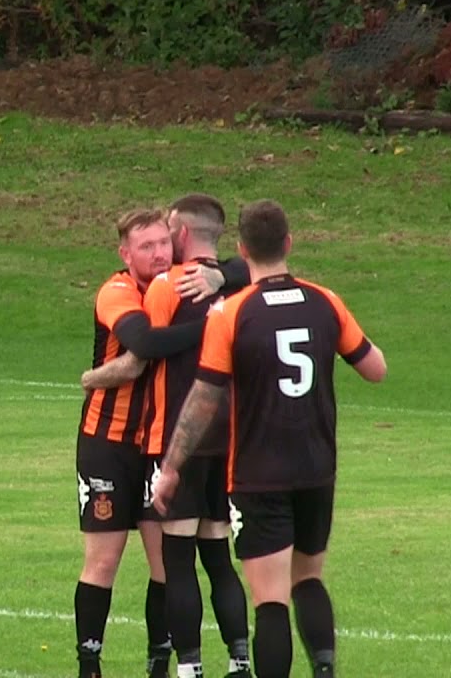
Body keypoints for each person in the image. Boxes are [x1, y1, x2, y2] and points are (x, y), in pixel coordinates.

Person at [152, 200, 387, 678]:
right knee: (309, 580)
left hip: (259, 473)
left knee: (270, 601)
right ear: (289, 243)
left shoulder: (232, 313)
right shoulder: (326, 301)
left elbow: (203, 399)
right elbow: (375, 369)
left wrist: (171, 467)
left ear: (241, 249)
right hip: (317, 469)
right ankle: (325, 671)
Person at [82, 195, 252, 678]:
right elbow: (145, 344)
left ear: (178, 238)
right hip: (118, 440)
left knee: (171, 561)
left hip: (168, 441)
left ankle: (171, 664)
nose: (159, 252)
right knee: (108, 560)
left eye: (163, 241)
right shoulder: (119, 289)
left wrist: (220, 288)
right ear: (125, 253)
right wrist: (218, 318)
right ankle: (89, 664)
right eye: (147, 246)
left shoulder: (176, 283)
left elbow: (243, 265)